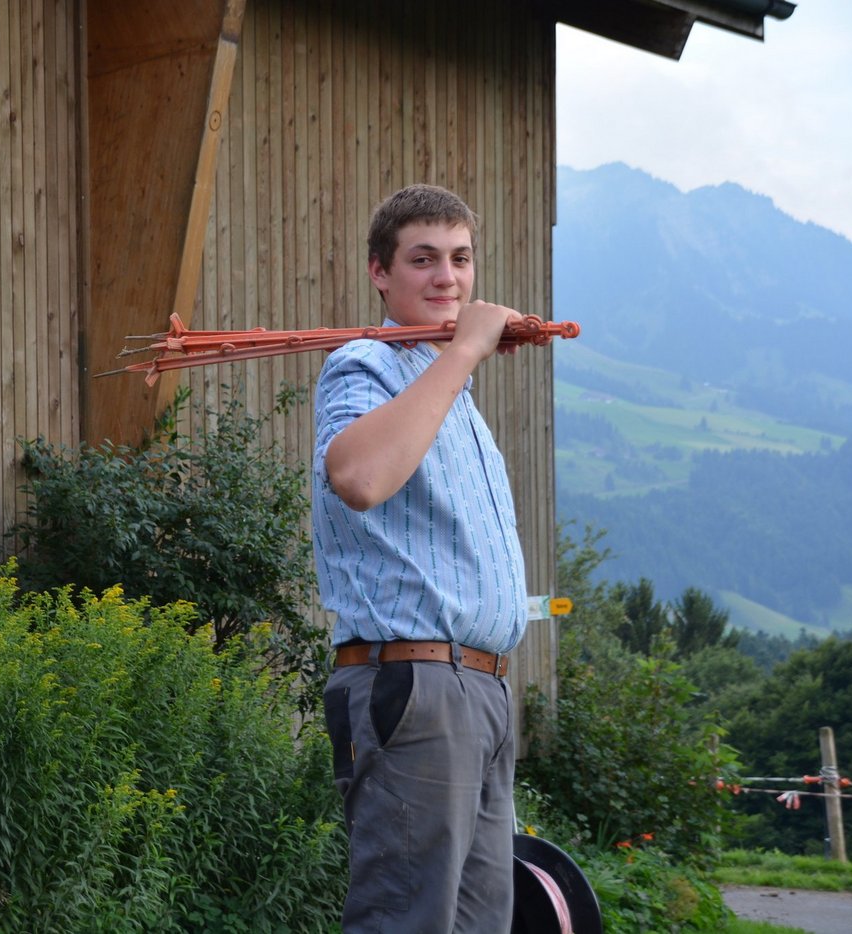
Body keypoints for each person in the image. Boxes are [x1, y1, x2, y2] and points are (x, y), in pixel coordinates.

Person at [314, 183, 533, 932]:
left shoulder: (451, 392)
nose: (448, 278)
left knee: (478, 924)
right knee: (408, 920)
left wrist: (457, 362)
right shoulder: (364, 365)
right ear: (381, 272)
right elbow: (359, 478)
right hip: (414, 682)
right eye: (423, 260)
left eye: (461, 258)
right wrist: (465, 348)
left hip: (480, 689)